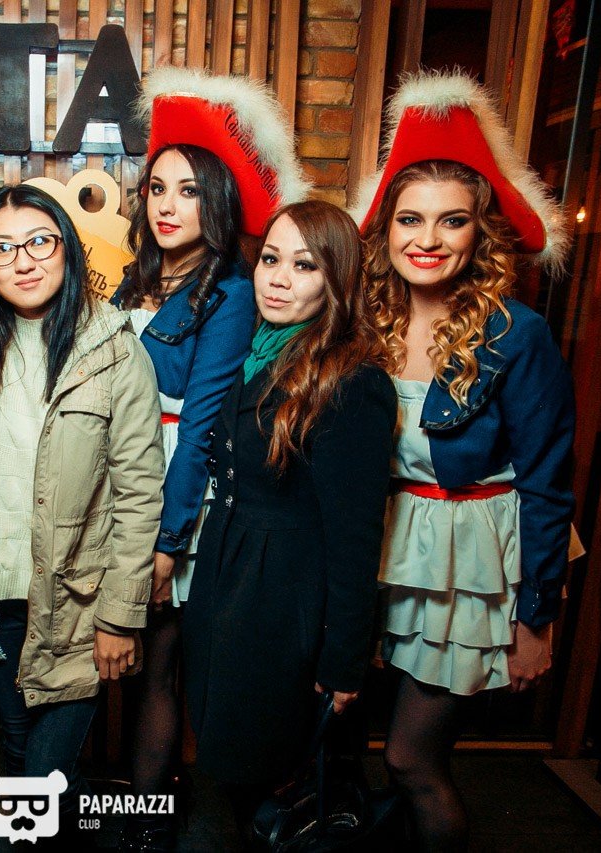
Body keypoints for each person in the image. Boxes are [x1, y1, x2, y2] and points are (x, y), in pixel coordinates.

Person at [353, 71, 574, 851]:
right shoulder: (361, 323)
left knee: (411, 756)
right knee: (363, 751)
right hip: (383, 550)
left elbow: (548, 483)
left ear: (480, 234)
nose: (429, 238)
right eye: (410, 218)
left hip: (465, 565)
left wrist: (536, 616)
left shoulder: (518, 334)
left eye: (452, 221)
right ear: (385, 230)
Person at [112, 66, 309, 853]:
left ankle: (148, 816)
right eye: (157, 188)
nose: (166, 205)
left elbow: (199, 426)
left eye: (188, 191)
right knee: (119, 661)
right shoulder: (138, 279)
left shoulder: (229, 292)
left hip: (173, 488)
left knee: (159, 662)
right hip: (117, 481)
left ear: (218, 200)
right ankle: (137, 796)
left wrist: (167, 541)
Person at [0, 184, 165, 842]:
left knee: (43, 774)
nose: (24, 260)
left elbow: (139, 490)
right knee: (19, 757)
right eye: (2, 248)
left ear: (67, 248)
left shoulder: (114, 351)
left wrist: (121, 616)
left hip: (79, 605)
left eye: (41, 241)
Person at [183, 200, 396, 838]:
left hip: (282, 600)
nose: (278, 278)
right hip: (227, 578)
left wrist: (343, 662)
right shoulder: (258, 352)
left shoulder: (353, 382)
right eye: (270, 259)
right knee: (234, 768)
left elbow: (357, 539)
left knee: (270, 774)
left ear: (338, 279)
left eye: (304, 266)